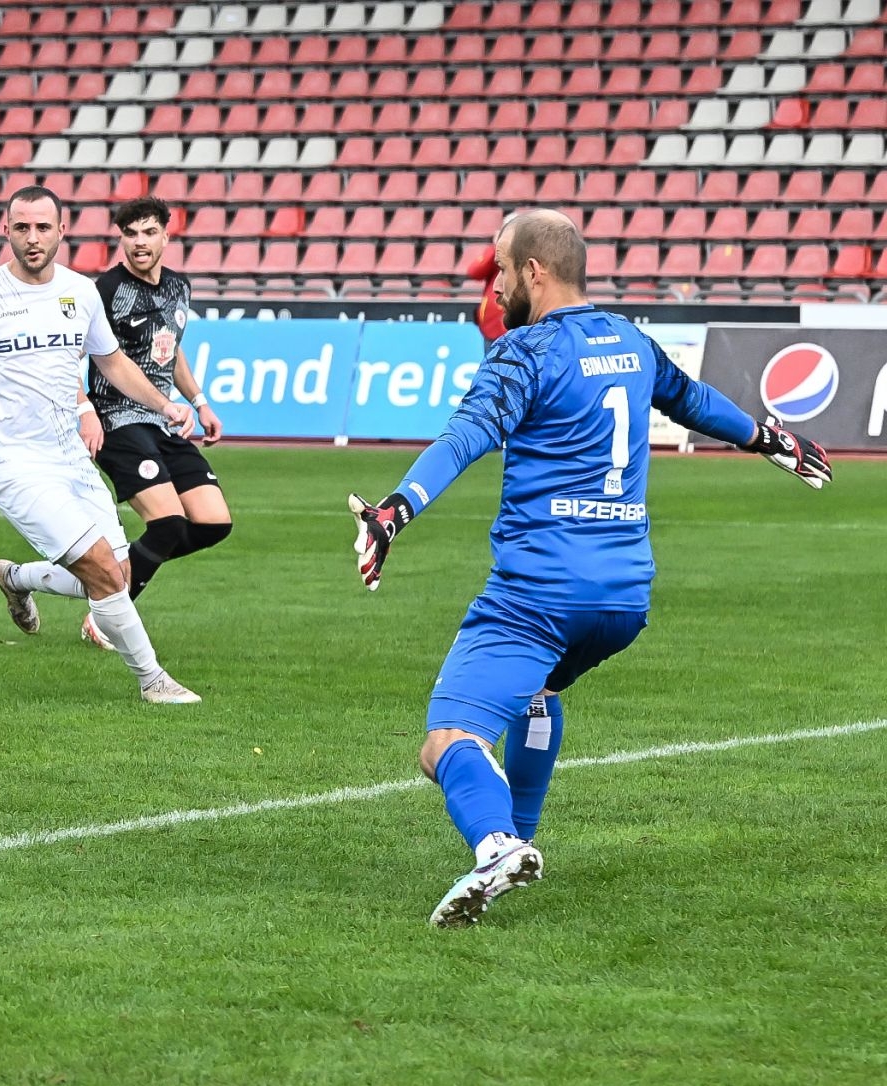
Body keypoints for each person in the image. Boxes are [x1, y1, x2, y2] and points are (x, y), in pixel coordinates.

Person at [347, 211, 832, 927]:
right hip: (623, 594)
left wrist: (395, 511)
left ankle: (495, 844)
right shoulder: (629, 340)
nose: (500, 283)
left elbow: (464, 438)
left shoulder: (524, 353)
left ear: (535, 272)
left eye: (505, 269)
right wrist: (769, 437)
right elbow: (692, 400)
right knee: (537, 689)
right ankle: (521, 836)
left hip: (539, 588)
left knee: (446, 741)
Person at [0, 186, 203, 704]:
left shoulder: (81, 293)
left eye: (43, 227)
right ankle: (153, 679)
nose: (32, 238)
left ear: (62, 231)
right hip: (14, 465)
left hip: (71, 460)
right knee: (103, 567)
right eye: (22, 227)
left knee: (116, 579)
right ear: (7, 232)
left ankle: (16, 578)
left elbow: (111, 361)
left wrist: (163, 404)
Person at [75, 195, 230, 651]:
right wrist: (84, 410)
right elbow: (72, 354)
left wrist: (199, 401)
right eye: (130, 234)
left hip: (166, 420)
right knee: (166, 523)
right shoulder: (105, 290)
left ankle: (109, 579)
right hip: (118, 420)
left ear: (167, 234)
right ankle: (107, 619)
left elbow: (171, 347)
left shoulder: (180, 287)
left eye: (148, 233)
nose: (139, 243)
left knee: (212, 523)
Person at [466, 244, 507, 342]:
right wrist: (496, 248)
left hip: (515, 331)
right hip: (491, 329)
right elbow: (474, 272)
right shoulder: (497, 254)